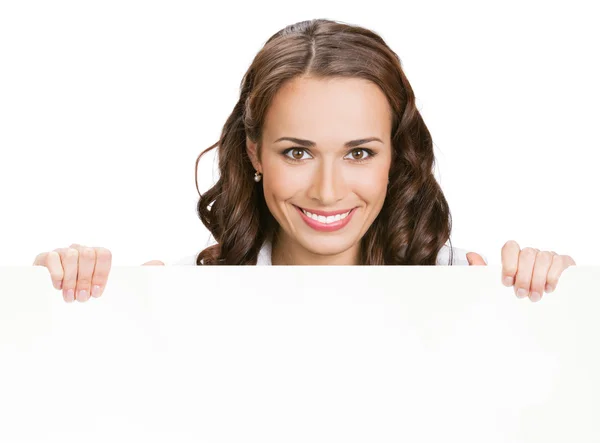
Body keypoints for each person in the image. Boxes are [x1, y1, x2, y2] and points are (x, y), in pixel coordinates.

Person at [33, 19, 576, 304]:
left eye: (359, 152)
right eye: (297, 152)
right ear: (254, 153)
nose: (326, 190)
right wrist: (52, 304)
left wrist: (563, 302)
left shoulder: (469, 287)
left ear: (395, 157)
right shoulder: (182, 294)